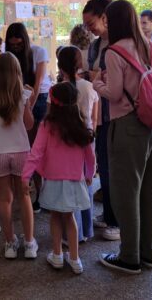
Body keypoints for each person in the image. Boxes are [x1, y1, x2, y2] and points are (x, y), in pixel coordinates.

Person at [93, 0, 152, 275]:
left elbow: (113, 94)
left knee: (126, 193)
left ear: (113, 22)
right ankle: (148, 254)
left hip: (128, 127)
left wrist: (97, 83)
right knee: (150, 192)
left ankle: (129, 257)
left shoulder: (115, 52)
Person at [22, 82, 95, 275]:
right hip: (75, 179)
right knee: (70, 217)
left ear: (53, 104)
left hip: (53, 179)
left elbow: (36, 152)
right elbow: (90, 154)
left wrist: (25, 176)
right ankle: (75, 259)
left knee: (55, 217)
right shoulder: (80, 125)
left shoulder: (47, 126)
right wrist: (89, 174)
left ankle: (57, 255)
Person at [0, 53, 37, 260]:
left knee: (4, 199)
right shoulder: (24, 96)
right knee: (24, 196)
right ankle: (29, 244)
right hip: (21, 151)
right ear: (17, 72)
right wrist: (28, 106)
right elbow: (29, 125)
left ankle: (10, 244)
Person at [81, 0, 120, 242]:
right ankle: (108, 214)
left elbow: (107, 77)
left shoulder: (120, 44)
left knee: (115, 170)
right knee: (103, 168)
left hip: (117, 114)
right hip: (100, 113)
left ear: (104, 17)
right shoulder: (96, 46)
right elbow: (95, 75)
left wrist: (94, 75)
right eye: (86, 25)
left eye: (91, 23)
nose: (89, 29)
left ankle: (117, 222)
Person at [5, 23, 50, 213]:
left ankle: (42, 195)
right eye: (12, 45)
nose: (16, 47)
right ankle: (31, 191)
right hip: (22, 100)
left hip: (38, 99)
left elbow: (37, 84)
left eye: (19, 44)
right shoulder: (9, 56)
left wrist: (28, 107)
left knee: (36, 149)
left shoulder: (39, 52)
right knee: (27, 149)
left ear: (25, 40)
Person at [55, 46, 98, 243]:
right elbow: (94, 119)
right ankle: (86, 230)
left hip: (65, 141)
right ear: (80, 64)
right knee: (86, 182)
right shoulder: (89, 87)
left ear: (60, 65)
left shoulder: (57, 90)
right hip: (86, 139)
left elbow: (52, 119)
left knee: (69, 186)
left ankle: (72, 234)